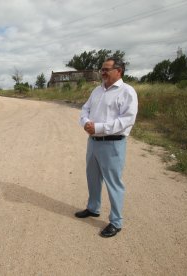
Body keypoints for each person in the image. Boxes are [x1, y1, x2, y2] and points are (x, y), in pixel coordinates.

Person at [75, 57, 138, 238]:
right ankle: (93, 208)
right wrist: (86, 122)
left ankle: (116, 222)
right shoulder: (97, 90)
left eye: (106, 69)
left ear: (119, 71)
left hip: (112, 143)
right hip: (93, 142)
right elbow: (85, 109)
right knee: (92, 178)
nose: (102, 72)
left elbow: (127, 120)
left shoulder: (127, 92)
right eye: (101, 69)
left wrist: (99, 128)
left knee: (114, 184)